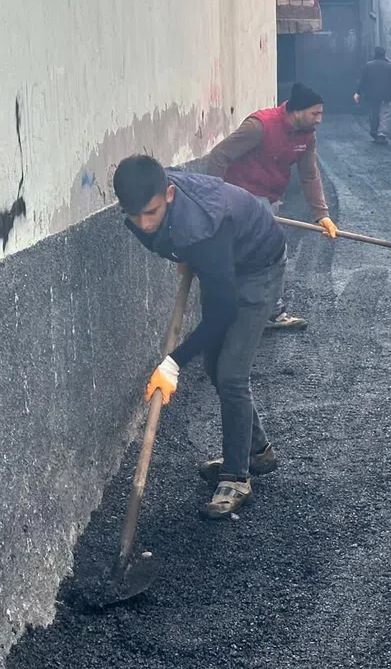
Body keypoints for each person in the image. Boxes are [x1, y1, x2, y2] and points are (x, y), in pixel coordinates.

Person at [114, 155, 286, 519]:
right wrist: (182, 250)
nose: (144, 225)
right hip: (222, 258)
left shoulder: (204, 231)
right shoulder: (157, 194)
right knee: (213, 362)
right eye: (135, 216)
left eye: (152, 213)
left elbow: (222, 314)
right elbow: (181, 233)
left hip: (259, 266)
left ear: (170, 194)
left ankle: (237, 477)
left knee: (232, 373)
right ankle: (256, 451)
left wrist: (173, 362)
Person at [205, 82, 339, 330]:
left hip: (268, 196)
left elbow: (309, 175)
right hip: (242, 195)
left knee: (256, 256)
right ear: (297, 111)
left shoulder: (307, 135)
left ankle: (255, 311)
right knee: (274, 252)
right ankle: (267, 312)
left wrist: (322, 215)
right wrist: (213, 198)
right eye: (315, 113)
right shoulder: (260, 126)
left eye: (321, 113)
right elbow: (219, 156)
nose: (319, 119)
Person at [354, 46, 391, 144]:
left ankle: (374, 130)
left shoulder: (368, 65)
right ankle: (381, 134)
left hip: (373, 94)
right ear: (384, 54)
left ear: (374, 54)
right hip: (387, 95)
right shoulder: (390, 66)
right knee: (385, 113)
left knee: (374, 112)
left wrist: (357, 93)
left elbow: (363, 81)